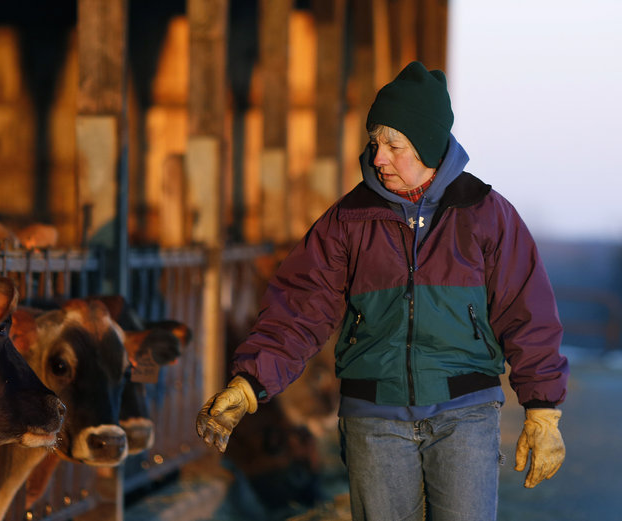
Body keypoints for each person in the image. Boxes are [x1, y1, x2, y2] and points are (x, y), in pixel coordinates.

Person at [196, 61, 568, 520]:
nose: (378, 158)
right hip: (373, 415)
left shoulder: (486, 214)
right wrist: (250, 382)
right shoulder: (347, 220)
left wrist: (542, 409)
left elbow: (528, 312)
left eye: (394, 146)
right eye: (375, 144)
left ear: (428, 145)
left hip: (465, 413)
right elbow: (299, 308)